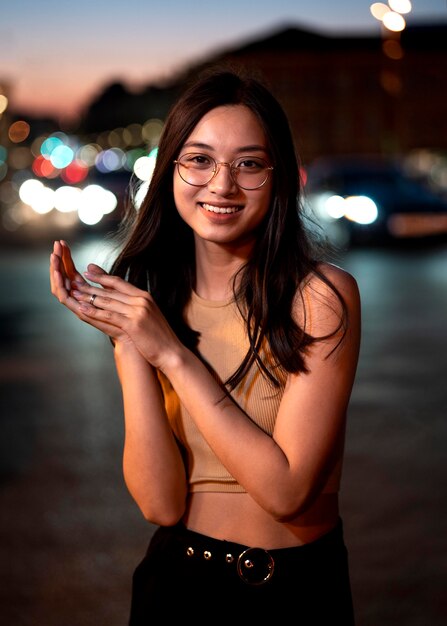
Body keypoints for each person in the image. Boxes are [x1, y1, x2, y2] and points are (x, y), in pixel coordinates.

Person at [50, 66, 361, 624]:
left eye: (249, 164)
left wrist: (170, 353)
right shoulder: (153, 304)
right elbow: (160, 504)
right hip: (176, 584)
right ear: (170, 169)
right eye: (199, 160)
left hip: (295, 592)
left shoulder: (321, 296)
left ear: (281, 175)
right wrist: (130, 344)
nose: (222, 185)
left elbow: (287, 491)